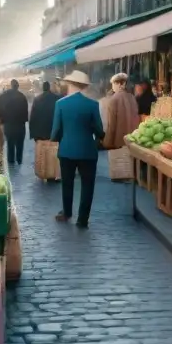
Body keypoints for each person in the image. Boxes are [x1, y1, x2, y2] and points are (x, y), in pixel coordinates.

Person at [51, 70, 105, 228]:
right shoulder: (93, 105)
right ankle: (82, 219)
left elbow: (55, 131)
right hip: (88, 152)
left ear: (71, 85)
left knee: (67, 183)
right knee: (88, 185)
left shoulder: (60, 104)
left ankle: (67, 213)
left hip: (66, 150)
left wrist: (58, 138)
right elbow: (99, 130)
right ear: (84, 86)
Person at [0, 79, 30, 167]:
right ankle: (19, 159)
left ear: (11, 85)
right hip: (20, 124)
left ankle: (11, 160)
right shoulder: (22, 96)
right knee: (20, 143)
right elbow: (25, 112)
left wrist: (0, 120)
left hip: (8, 124)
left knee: (10, 142)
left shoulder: (3, 96)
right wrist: (24, 120)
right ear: (18, 86)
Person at [103, 73, 140, 150]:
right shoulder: (132, 98)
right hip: (133, 142)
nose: (112, 87)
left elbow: (112, 125)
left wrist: (107, 143)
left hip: (118, 145)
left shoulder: (113, 99)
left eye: (113, 84)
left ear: (119, 84)